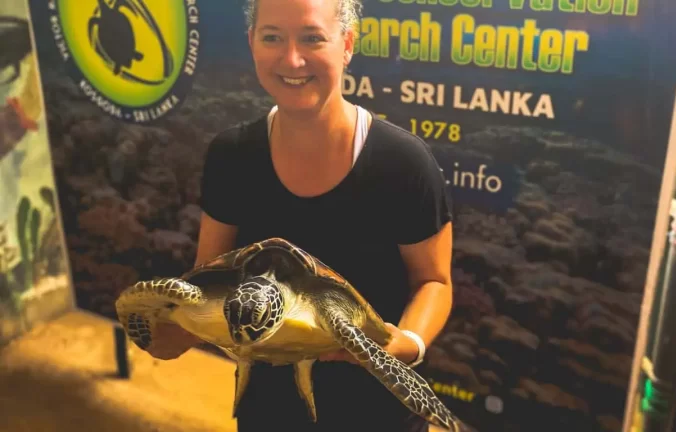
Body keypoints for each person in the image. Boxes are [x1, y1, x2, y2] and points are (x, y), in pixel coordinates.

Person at [146, 0, 455, 430]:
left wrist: (406, 345)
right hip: (266, 406)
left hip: (375, 406)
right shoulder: (231, 156)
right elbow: (208, 277)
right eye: (272, 37)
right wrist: (181, 323)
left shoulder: (403, 163)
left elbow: (434, 281)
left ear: (346, 44)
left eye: (312, 38)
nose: (292, 59)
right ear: (252, 42)